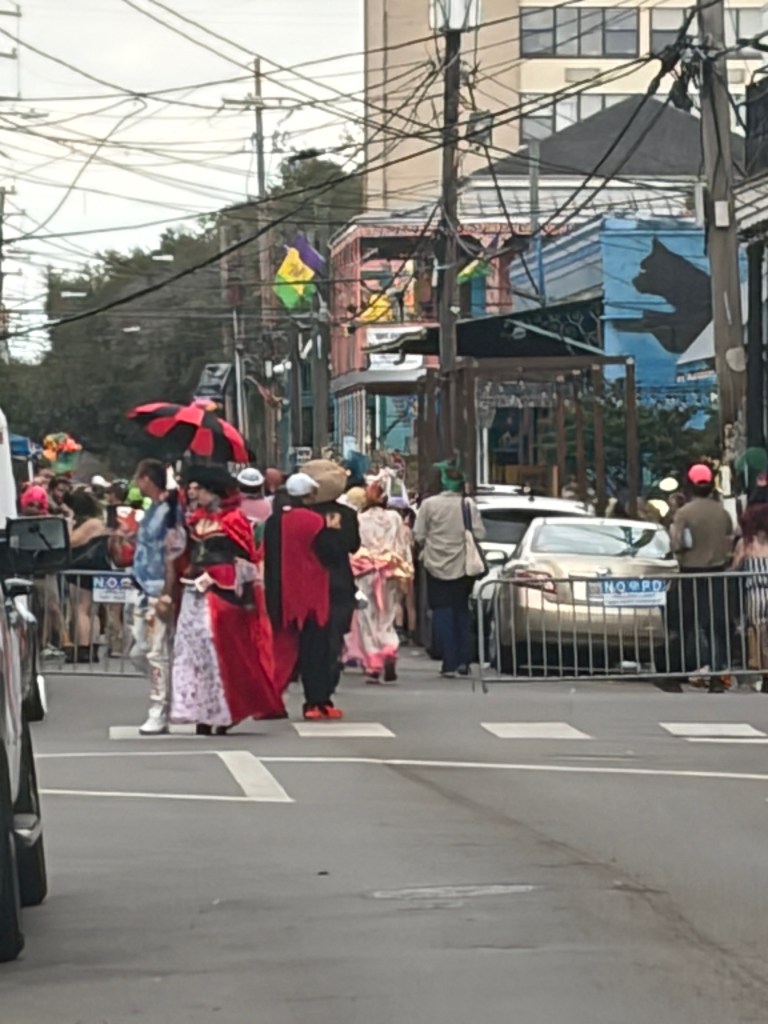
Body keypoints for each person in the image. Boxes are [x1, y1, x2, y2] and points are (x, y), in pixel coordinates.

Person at [171, 466, 283, 734]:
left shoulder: (234, 519)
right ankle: (201, 711)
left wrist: (243, 591)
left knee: (222, 652)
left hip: (223, 591)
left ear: (214, 491)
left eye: (199, 488)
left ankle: (225, 712)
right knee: (194, 650)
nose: (194, 492)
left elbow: (247, 559)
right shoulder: (195, 519)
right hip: (195, 591)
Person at [264, 472, 346, 719]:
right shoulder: (317, 522)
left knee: (281, 650)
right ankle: (316, 702)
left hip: (282, 593)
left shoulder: (274, 522)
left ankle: (269, 699)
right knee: (316, 650)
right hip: (313, 594)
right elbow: (332, 555)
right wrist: (334, 530)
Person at [414, 462, 485, 678]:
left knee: (441, 611)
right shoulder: (468, 505)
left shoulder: (428, 505)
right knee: (461, 610)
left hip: (435, 564)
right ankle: (464, 659)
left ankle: (448, 661)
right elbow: (479, 533)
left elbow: (419, 534)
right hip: (463, 565)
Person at [670, 463, 734, 692]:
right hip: (717, 573)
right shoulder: (722, 513)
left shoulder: (684, 513)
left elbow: (676, 543)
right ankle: (717, 674)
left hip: (690, 574)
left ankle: (679, 671)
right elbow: (730, 537)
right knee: (715, 626)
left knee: (685, 624)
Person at [345, 483, 413, 683]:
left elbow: (353, 548)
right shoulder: (394, 518)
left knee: (366, 616)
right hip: (389, 571)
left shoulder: (359, 519)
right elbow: (402, 545)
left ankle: (373, 659)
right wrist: (406, 570)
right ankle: (389, 647)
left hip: (364, 573)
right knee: (387, 614)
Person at [130, 459, 180, 735]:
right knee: (139, 650)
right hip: (142, 588)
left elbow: (173, 553)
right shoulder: (153, 509)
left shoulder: (171, 511)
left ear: (146, 479)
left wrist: (167, 593)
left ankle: (160, 708)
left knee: (157, 652)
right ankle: (168, 694)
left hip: (159, 588)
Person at [63, 489, 111, 664]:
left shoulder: (91, 524)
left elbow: (71, 541)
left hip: (83, 567)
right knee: (92, 611)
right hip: (94, 568)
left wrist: (69, 522)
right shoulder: (99, 522)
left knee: (81, 609)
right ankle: (92, 646)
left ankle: (84, 647)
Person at [733, 503, 768, 690]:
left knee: (757, 631)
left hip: (754, 591)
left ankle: (763, 671)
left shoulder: (746, 543)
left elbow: (735, 566)